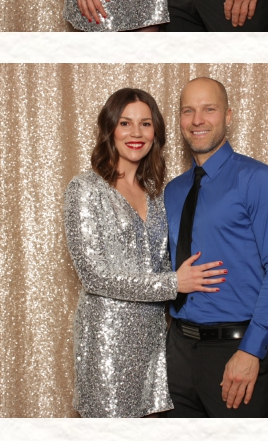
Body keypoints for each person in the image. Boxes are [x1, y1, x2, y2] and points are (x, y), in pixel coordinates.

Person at [64, 88, 226, 417]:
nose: (136, 133)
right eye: (125, 123)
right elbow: (94, 276)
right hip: (108, 343)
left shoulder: (155, 193)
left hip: (155, 343)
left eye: (145, 124)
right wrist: (173, 283)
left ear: (156, 132)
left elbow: (162, 262)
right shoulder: (85, 189)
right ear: (110, 129)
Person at [164, 77, 268, 417]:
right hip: (177, 352)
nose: (197, 120)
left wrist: (251, 351)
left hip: (235, 352)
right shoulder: (173, 191)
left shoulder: (259, 180)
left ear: (228, 115)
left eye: (209, 109)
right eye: (188, 111)